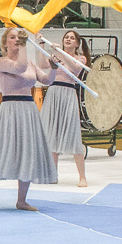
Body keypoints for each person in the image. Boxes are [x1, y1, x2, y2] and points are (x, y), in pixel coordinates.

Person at [0, 27, 58, 211]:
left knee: (27, 152)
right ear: (5, 42)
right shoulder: (2, 62)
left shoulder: (29, 62)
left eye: (18, 37)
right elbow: (18, 67)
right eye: (12, 37)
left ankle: (21, 200)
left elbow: (46, 81)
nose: (16, 40)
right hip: (10, 109)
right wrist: (24, 43)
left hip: (28, 109)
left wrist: (53, 69)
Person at [38, 30, 89, 187]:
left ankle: (82, 177)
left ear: (77, 43)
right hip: (54, 92)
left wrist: (60, 52)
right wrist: (40, 43)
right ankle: (53, 174)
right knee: (51, 134)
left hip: (68, 94)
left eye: (72, 38)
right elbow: (41, 64)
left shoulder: (81, 58)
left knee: (74, 135)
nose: (68, 39)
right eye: (66, 37)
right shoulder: (57, 55)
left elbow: (74, 69)